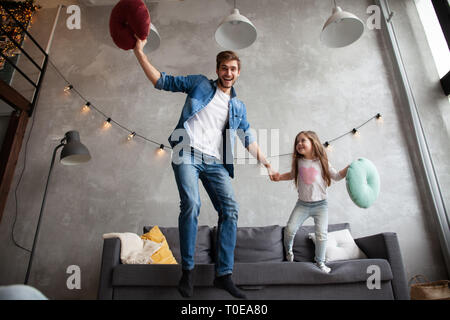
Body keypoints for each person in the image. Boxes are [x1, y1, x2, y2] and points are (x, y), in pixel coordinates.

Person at [133, 35, 277, 298]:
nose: (228, 73)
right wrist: (139, 52)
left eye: (233, 69)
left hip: (215, 162)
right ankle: (187, 271)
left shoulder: (238, 106)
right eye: (224, 68)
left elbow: (247, 137)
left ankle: (224, 275)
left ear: (239, 72)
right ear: (217, 70)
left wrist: (265, 162)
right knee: (192, 204)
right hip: (186, 152)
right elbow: (161, 81)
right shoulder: (199, 84)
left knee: (230, 209)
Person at [272, 131, 349, 273]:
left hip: (321, 205)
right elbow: (292, 175)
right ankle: (289, 253)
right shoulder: (299, 162)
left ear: (313, 143)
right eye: (297, 142)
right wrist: (279, 177)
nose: (299, 144)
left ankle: (320, 262)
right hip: (302, 204)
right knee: (289, 230)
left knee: (321, 234)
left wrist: (349, 168)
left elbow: (337, 176)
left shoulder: (322, 161)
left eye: (303, 140)